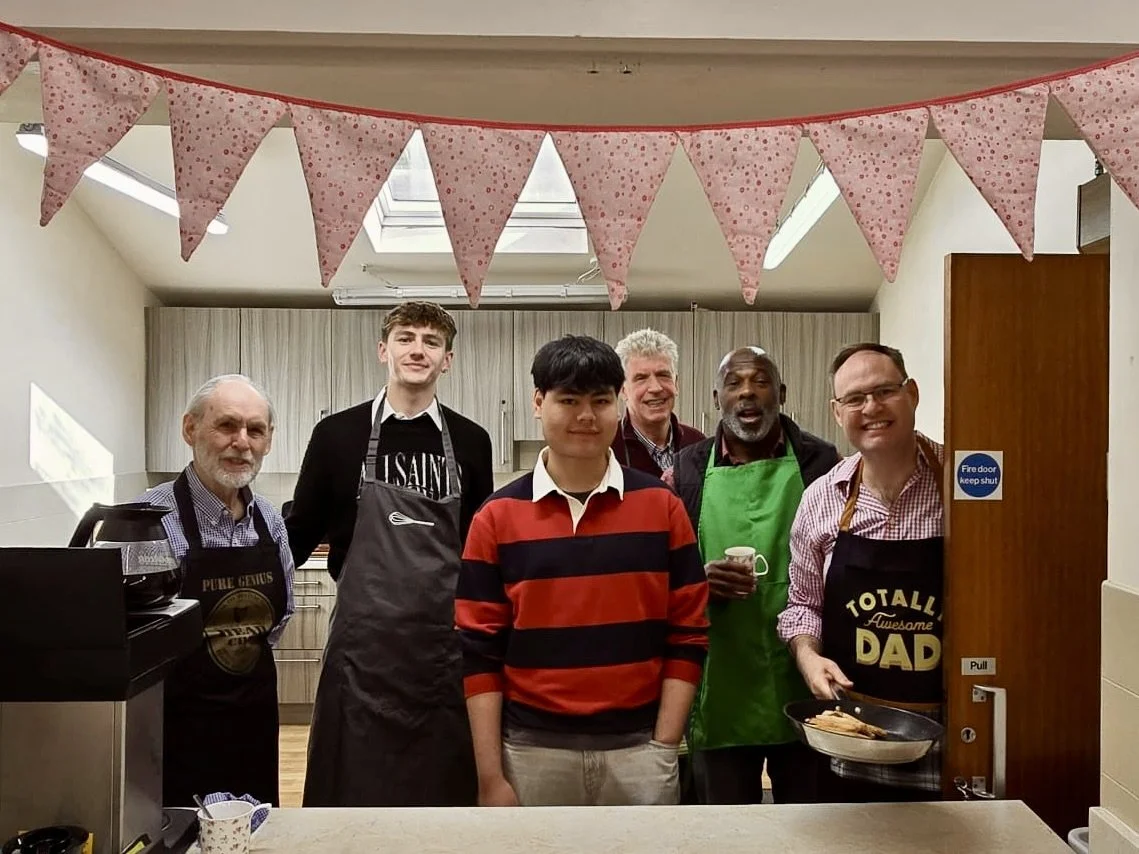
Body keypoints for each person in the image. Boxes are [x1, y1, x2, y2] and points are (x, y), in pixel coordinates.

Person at [456, 335, 710, 807]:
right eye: (568, 400)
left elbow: (689, 632)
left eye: (600, 400)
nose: (586, 416)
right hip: (530, 751)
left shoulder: (662, 506)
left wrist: (663, 747)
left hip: (640, 750)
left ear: (619, 406)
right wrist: (490, 776)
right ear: (538, 403)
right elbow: (479, 654)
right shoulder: (495, 517)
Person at [289, 301, 494, 807]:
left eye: (431, 341)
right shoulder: (337, 435)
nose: (417, 349)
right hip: (363, 650)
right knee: (352, 790)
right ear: (384, 350)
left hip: (442, 651)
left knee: (442, 791)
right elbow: (299, 533)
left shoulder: (471, 442)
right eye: (405, 338)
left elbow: (477, 547)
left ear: (447, 359)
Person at [664, 346, 840, 805]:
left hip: (805, 675)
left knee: (810, 826)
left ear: (780, 393)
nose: (747, 393)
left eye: (759, 381)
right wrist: (701, 580)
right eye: (734, 382)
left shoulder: (822, 462)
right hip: (720, 681)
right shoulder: (686, 471)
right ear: (717, 395)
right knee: (726, 833)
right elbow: (664, 575)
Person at [778, 342, 944, 803]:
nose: (871, 408)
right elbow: (802, 607)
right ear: (837, 412)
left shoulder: (959, 487)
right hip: (849, 733)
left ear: (911, 393)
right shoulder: (821, 499)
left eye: (884, 391)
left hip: (946, 739)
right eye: (855, 399)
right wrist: (808, 658)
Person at [139, 374, 294, 809]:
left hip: (254, 722)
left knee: (253, 830)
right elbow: (131, 643)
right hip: (174, 730)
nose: (241, 442)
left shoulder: (271, 521)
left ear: (267, 441)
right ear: (191, 430)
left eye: (255, 430)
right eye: (227, 425)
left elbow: (279, 620)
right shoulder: (148, 523)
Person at [612, 328, 704, 477]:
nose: (655, 388)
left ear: (676, 384)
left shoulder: (697, 443)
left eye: (663, 375)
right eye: (641, 378)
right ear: (623, 390)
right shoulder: (608, 448)